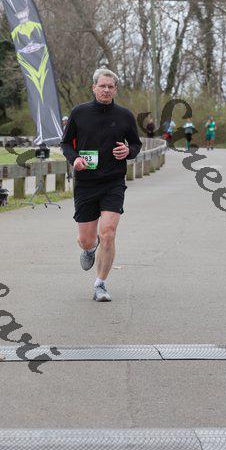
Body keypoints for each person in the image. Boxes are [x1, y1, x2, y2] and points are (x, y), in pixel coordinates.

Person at [61, 68, 142, 302]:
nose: (106, 90)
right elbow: (65, 144)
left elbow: (136, 144)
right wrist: (75, 159)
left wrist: (128, 151)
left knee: (108, 233)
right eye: (102, 86)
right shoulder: (79, 113)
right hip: (86, 183)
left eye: (110, 87)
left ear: (115, 90)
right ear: (94, 87)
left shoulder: (125, 115)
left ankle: (100, 284)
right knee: (86, 240)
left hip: (113, 182)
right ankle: (90, 248)